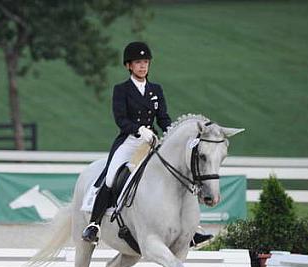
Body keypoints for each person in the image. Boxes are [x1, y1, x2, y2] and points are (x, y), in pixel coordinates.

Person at [81, 41, 213, 248]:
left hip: (153, 141)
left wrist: (172, 135)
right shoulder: (121, 89)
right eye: (138, 62)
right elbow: (120, 119)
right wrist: (138, 130)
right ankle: (94, 225)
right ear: (129, 66)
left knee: (180, 174)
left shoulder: (156, 89)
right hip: (130, 142)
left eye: (145, 62)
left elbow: (163, 118)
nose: (142, 66)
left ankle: (192, 230)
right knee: (110, 177)